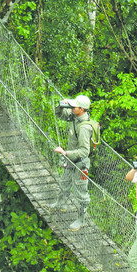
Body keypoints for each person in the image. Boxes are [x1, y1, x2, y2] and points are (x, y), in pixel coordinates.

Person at [48, 94, 95, 230]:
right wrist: (61, 104)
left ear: (81, 109)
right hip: (70, 160)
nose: (72, 108)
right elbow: (60, 114)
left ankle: (81, 219)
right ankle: (61, 204)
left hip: (80, 164)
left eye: (74, 106)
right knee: (64, 182)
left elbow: (84, 152)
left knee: (81, 192)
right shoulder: (75, 116)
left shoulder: (85, 128)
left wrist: (65, 153)